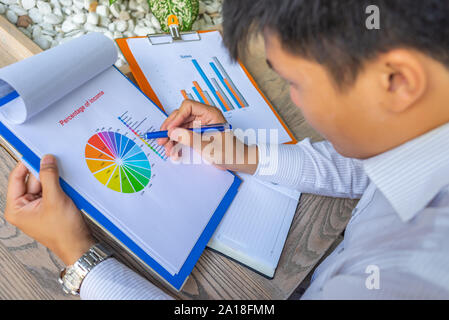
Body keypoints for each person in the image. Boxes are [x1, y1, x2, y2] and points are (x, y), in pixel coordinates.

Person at [4, 0, 449, 299]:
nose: (290, 100)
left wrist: (81, 261)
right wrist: (246, 155)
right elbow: (365, 171)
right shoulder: (423, 132)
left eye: (296, 82)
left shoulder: (407, 277)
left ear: (398, 81)